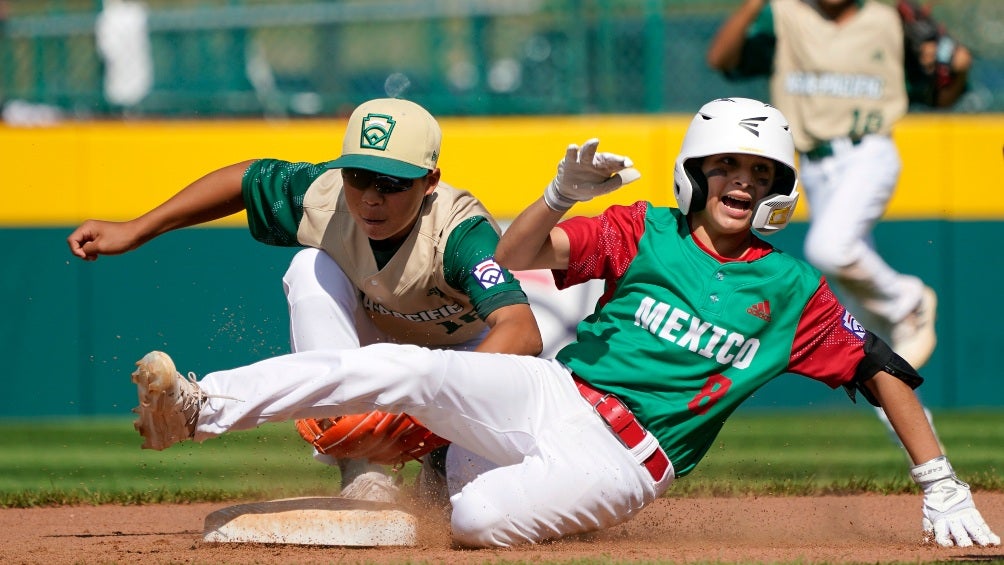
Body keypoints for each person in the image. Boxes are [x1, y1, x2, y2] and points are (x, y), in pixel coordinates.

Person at [122, 97, 998, 549]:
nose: (741, 182)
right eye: (725, 165)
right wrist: (554, 197)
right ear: (696, 171)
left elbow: (881, 364)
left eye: (760, 172)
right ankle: (193, 406)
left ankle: (430, 484)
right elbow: (519, 252)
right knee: (413, 371)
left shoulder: (796, 291)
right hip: (552, 395)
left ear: (778, 193)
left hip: (623, 461)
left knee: (469, 522)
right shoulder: (642, 226)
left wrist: (940, 480)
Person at [67, 97, 543, 503]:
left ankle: (439, 471)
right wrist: (136, 229)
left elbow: (522, 331)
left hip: (467, 353)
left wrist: (438, 402)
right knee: (310, 269)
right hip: (374, 338)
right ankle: (355, 468)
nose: (371, 197)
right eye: (359, 175)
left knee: (472, 501)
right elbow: (246, 178)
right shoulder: (327, 195)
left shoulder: (461, 234)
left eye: (392, 183)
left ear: (430, 181)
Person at [706, 0, 972, 371]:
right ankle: (905, 413)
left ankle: (908, 300)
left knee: (829, 248)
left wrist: (957, 69)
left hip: (868, 151)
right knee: (866, 327)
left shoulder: (887, 19)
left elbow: (940, 90)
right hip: (814, 167)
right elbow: (721, 58)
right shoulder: (785, 14)